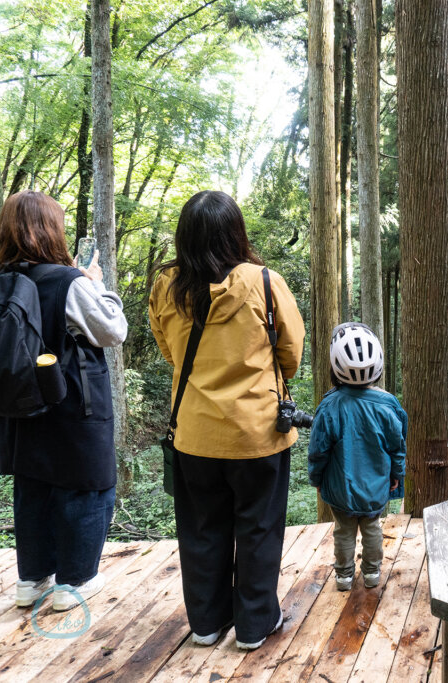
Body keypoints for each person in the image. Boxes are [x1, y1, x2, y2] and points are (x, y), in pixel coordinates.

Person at [149, 190, 305, 650]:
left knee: (201, 530)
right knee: (258, 528)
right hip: (258, 433)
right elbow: (291, 355)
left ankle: (205, 623)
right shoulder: (265, 282)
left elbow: (169, 352)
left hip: (194, 433)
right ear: (236, 233)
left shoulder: (166, 287)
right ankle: (255, 625)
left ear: (184, 237)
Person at [0, 191, 127, 612]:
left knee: (33, 487)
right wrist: (97, 284)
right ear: (50, 230)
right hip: (72, 404)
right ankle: (75, 581)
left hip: (19, 407)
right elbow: (112, 330)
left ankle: (31, 580)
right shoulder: (69, 282)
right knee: (85, 488)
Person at [309, 323, 407, 592]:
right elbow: (397, 448)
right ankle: (372, 574)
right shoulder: (388, 406)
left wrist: (316, 478)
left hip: (340, 487)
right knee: (372, 527)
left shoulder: (329, 406)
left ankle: (343, 577)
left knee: (343, 530)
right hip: (375, 487)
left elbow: (318, 451)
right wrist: (397, 475)